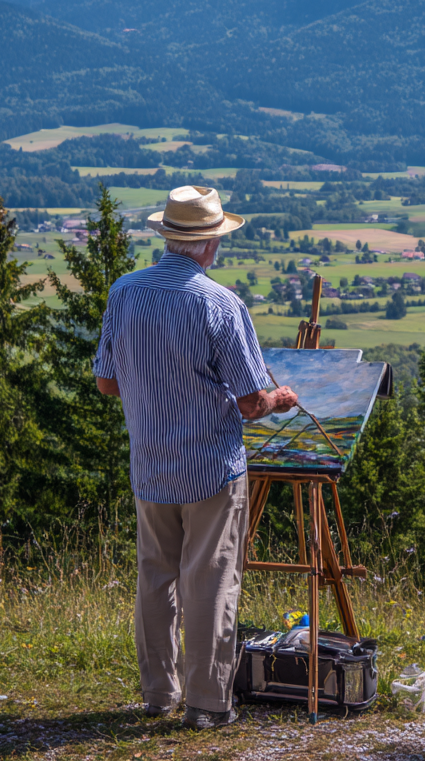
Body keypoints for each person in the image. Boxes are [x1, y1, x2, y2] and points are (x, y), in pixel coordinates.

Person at [93, 185, 297, 729]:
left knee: (155, 578)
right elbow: (253, 403)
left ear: (168, 236)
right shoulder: (221, 303)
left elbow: (106, 383)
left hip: (150, 465)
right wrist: (280, 399)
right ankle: (207, 705)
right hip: (210, 467)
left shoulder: (125, 292)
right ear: (209, 244)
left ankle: (159, 694)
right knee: (209, 581)